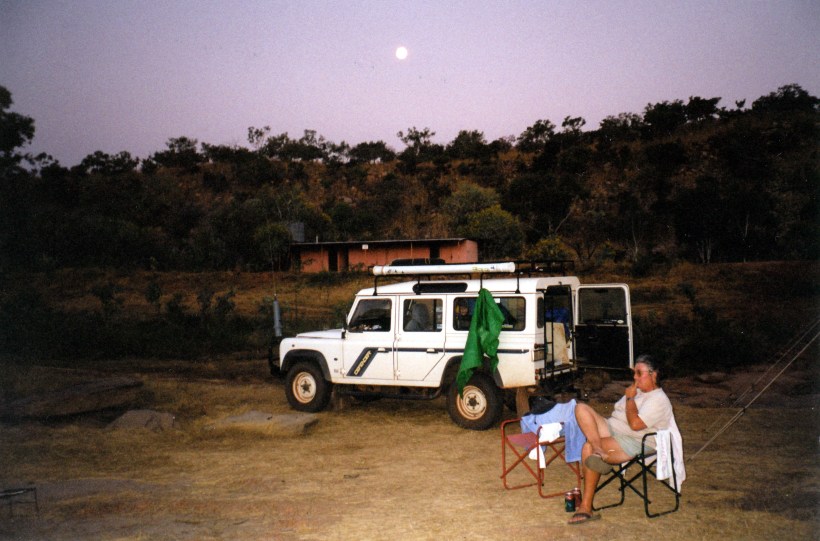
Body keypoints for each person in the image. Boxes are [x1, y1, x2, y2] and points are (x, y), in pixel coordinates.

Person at [568, 354, 673, 525]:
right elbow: (617, 413)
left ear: (654, 375)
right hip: (613, 428)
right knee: (580, 408)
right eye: (634, 373)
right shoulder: (637, 391)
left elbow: (635, 425)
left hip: (636, 440)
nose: (635, 377)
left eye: (639, 373)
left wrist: (630, 398)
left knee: (587, 448)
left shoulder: (659, 400)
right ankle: (598, 448)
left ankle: (586, 507)